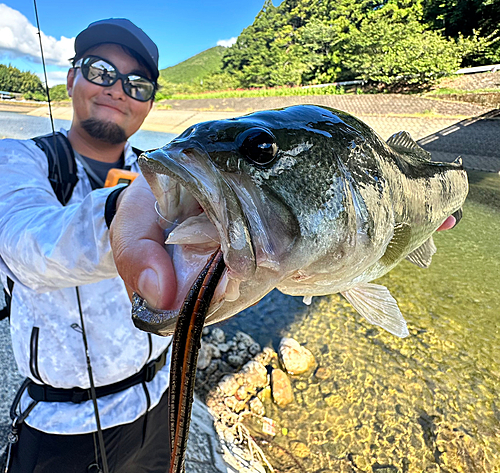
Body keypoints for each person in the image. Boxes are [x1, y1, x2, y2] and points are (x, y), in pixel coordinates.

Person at [0, 18, 175, 473]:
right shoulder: (17, 161)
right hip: (61, 426)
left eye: (137, 84)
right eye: (100, 71)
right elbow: (28, 246)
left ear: (150, 103)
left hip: (159, 403)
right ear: (72, 77)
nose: (118, 90)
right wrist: (125, 215)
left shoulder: (170, 175)